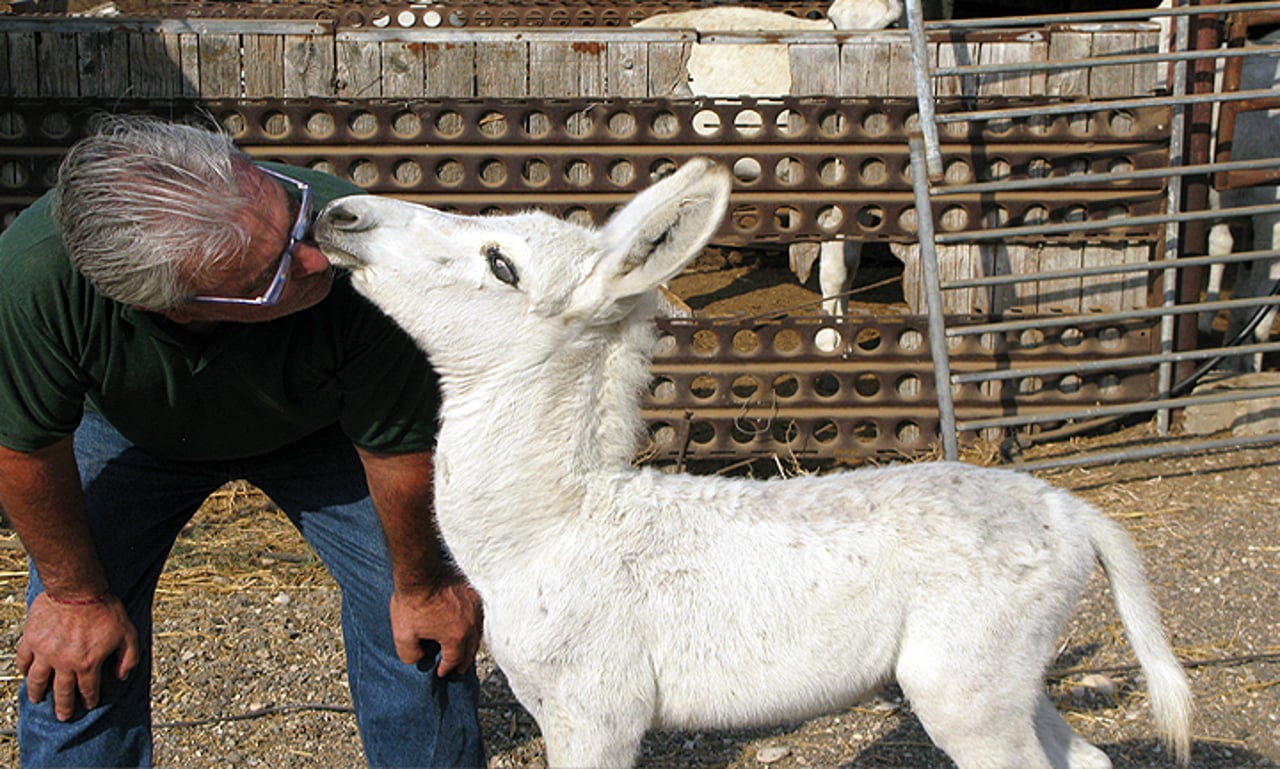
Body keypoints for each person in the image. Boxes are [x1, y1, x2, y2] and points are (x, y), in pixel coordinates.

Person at [0, 114, 486, 768]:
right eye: (277, 270)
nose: (317, 256)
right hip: (129, 422)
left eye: (292, 213)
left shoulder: (354, 251)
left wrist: (425, 585)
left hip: (322, 425)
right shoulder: (34, 279)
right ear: (177, 305)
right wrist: (75, 595)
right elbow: (23, 447)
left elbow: (399, 449)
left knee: (422, 625)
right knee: (74, 647)